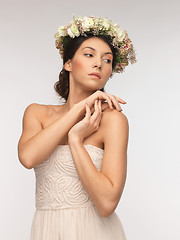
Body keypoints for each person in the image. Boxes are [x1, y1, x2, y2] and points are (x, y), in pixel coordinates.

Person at [18, 15, 136, 240]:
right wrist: (76, 111)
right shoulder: (36, 113)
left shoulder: (113, 120)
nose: (98, 64)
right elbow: (28, 158)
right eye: (89, 55)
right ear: (68, 63)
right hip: (47, 231)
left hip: (96, 232)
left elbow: (107, 204)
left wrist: (75, 139)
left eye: (107, 60)